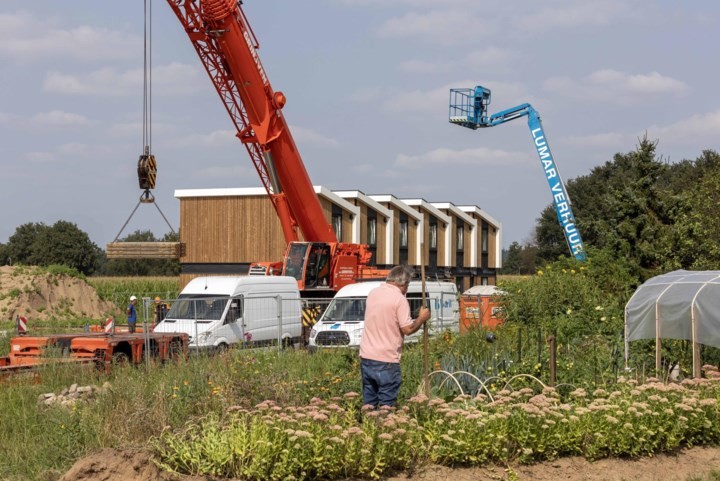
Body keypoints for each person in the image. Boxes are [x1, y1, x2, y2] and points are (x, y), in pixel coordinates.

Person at [359, 265, 431, 408]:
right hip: (386, 359)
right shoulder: (399, 299)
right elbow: (407, 329)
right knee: (387, 404)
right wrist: (421, 318)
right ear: (404, 284)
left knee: (369, 403)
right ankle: (384, 427)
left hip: (366, 356)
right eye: (407, 285)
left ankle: (368, 427)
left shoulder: (373, 293)